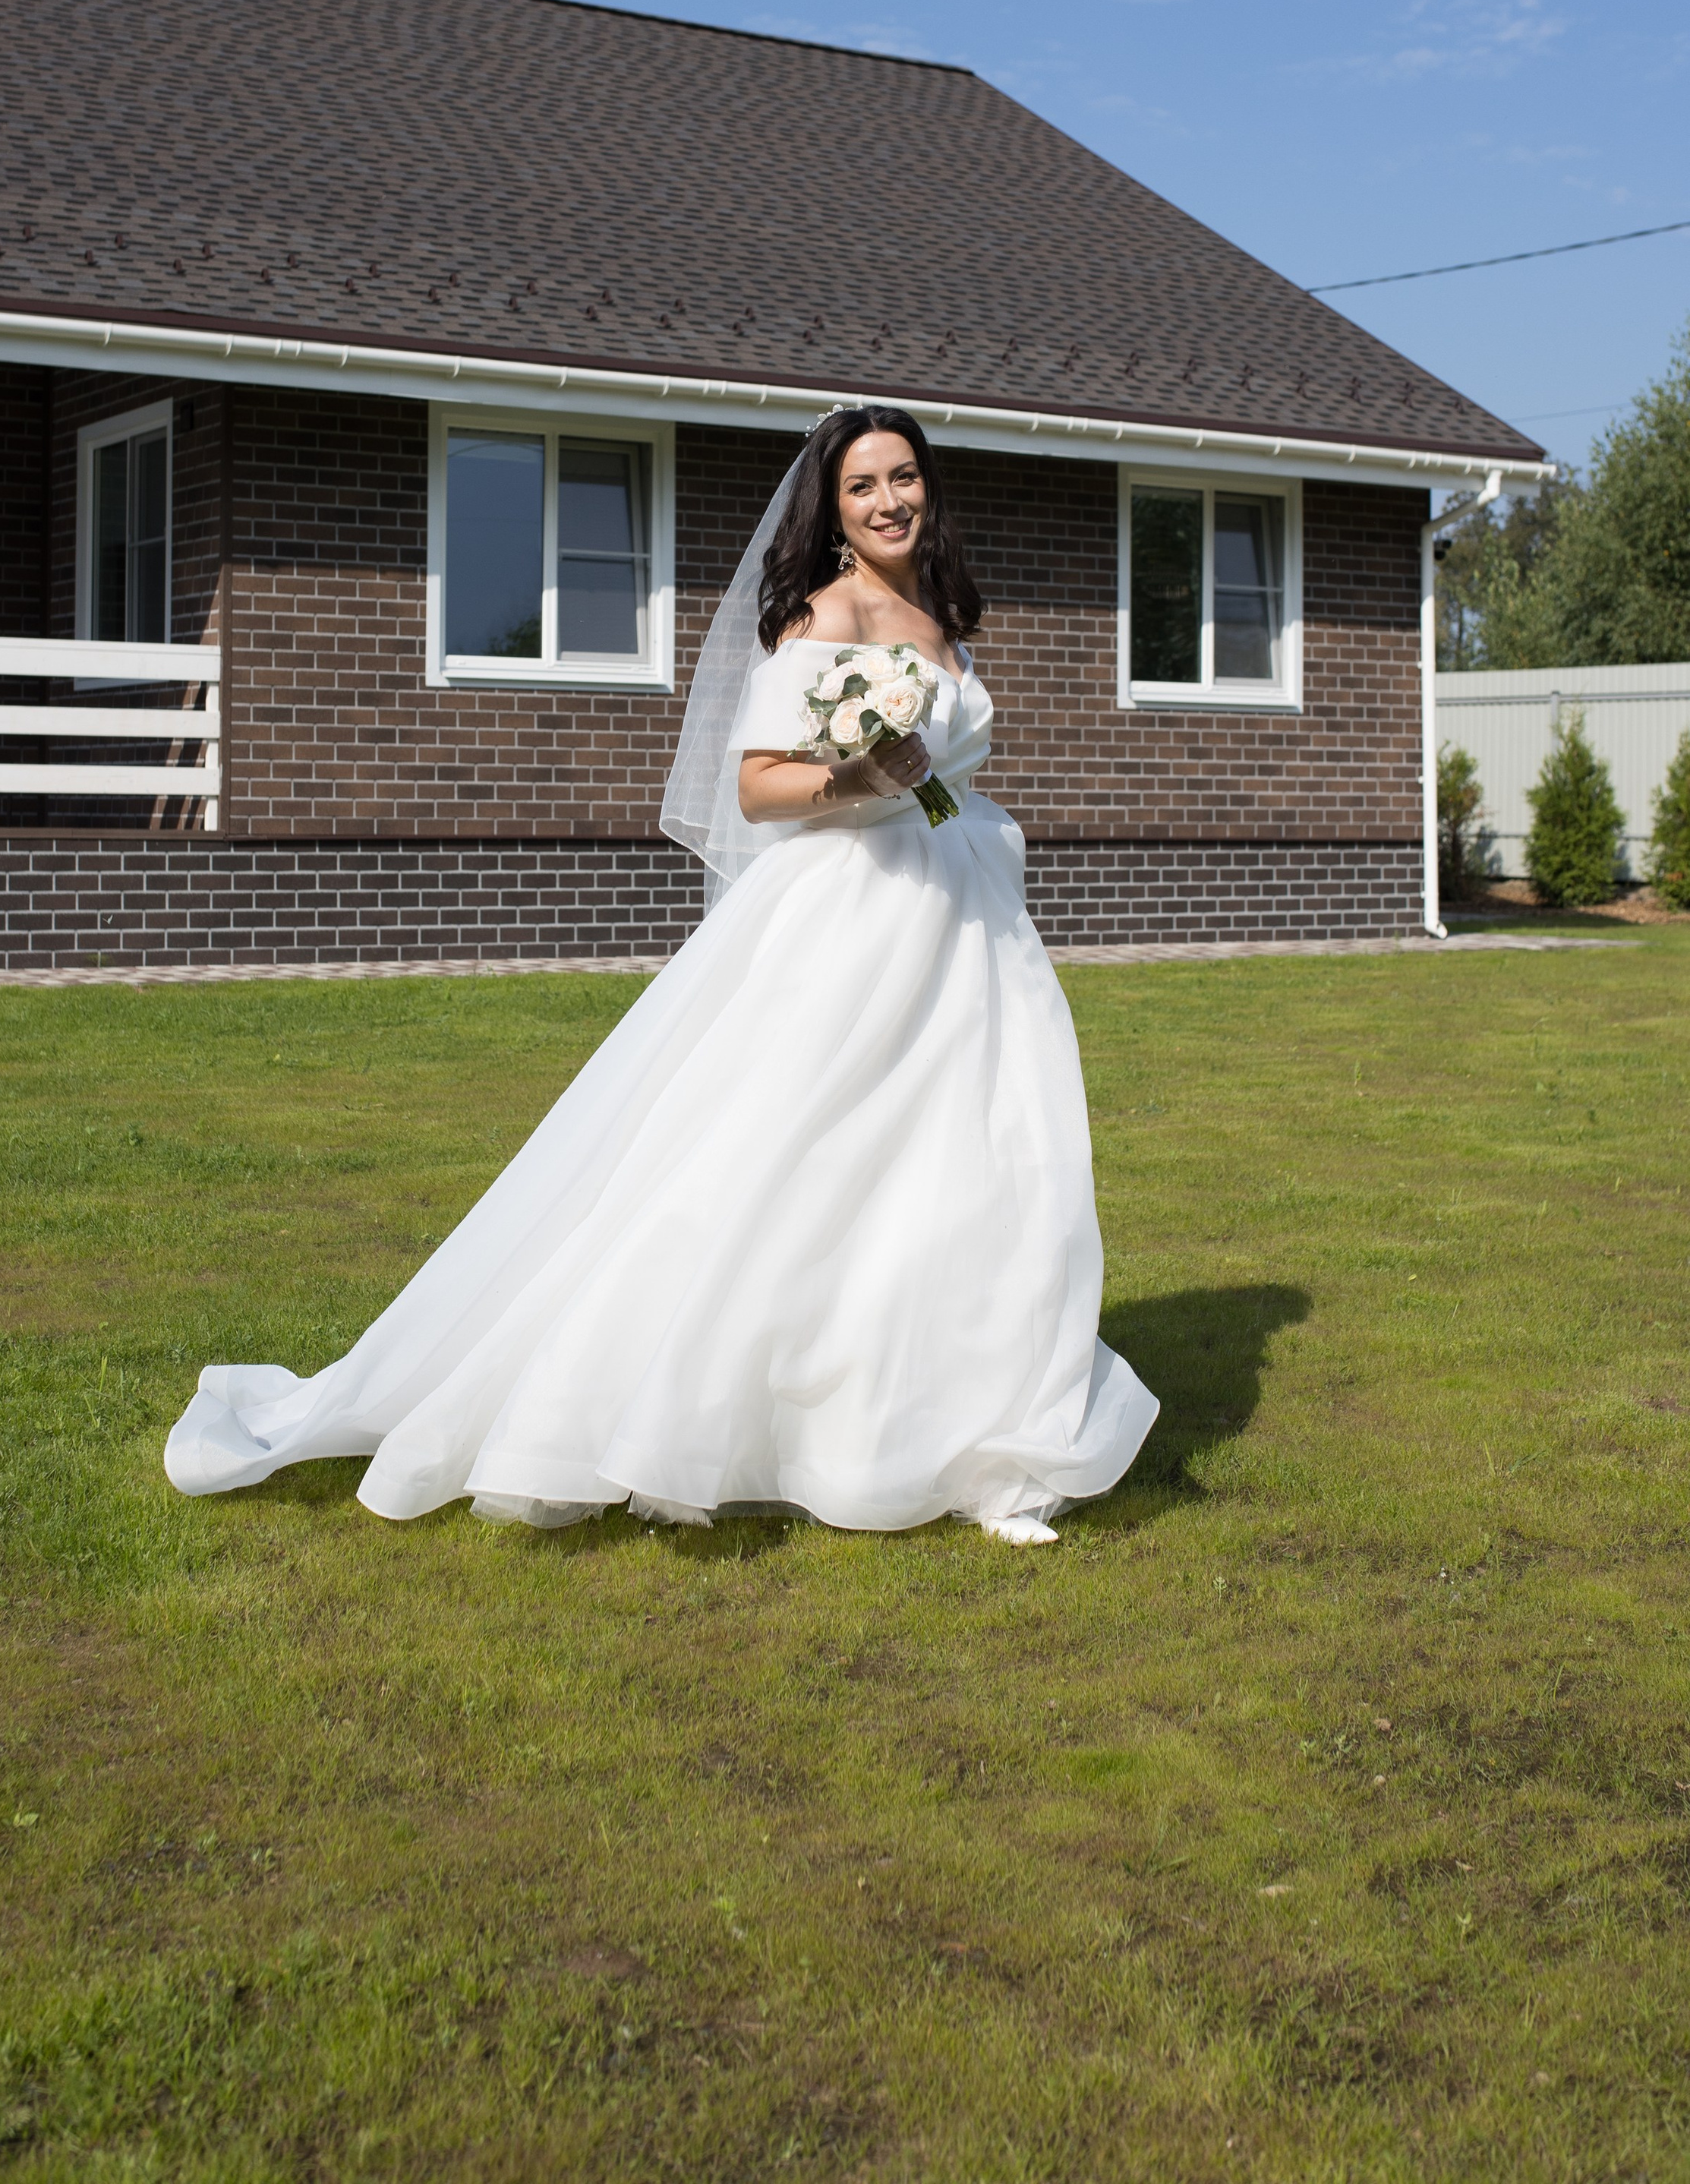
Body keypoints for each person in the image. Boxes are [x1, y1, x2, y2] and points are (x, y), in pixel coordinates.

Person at [166, 405, 1158, 1541]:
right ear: (832, 512)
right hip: (857, 919)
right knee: (794, 1162)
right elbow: (760, 788)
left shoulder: (937, 614)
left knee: (980, 1166)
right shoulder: (823, 617)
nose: (890, 501)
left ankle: (977, 1442)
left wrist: (923, 792)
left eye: (904, 478)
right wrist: (862, 781)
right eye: (863, 487)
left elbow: (943, 769)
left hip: (966, 921)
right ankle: (670, 1408)